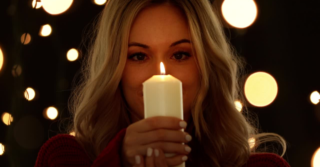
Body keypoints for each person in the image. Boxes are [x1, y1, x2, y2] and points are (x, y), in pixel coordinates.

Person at [35, 0, 290, 167]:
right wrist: (118, 160)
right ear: (116, 71)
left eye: (180, 55)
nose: (161, 73)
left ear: (206, 65)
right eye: (138, 56)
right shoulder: (65, 158)